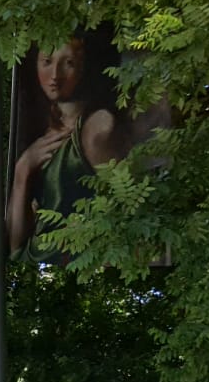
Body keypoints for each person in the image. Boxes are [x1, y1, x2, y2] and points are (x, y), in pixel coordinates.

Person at [7, 32, 126, 261]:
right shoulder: (42, 134)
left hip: (79, 262)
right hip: (38, 264)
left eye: (68, 63)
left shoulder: (97, 127)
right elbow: (15, 248)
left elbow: (122, 215)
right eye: (47, 62)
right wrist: (22, 170)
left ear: (84, 68)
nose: (55, 76)